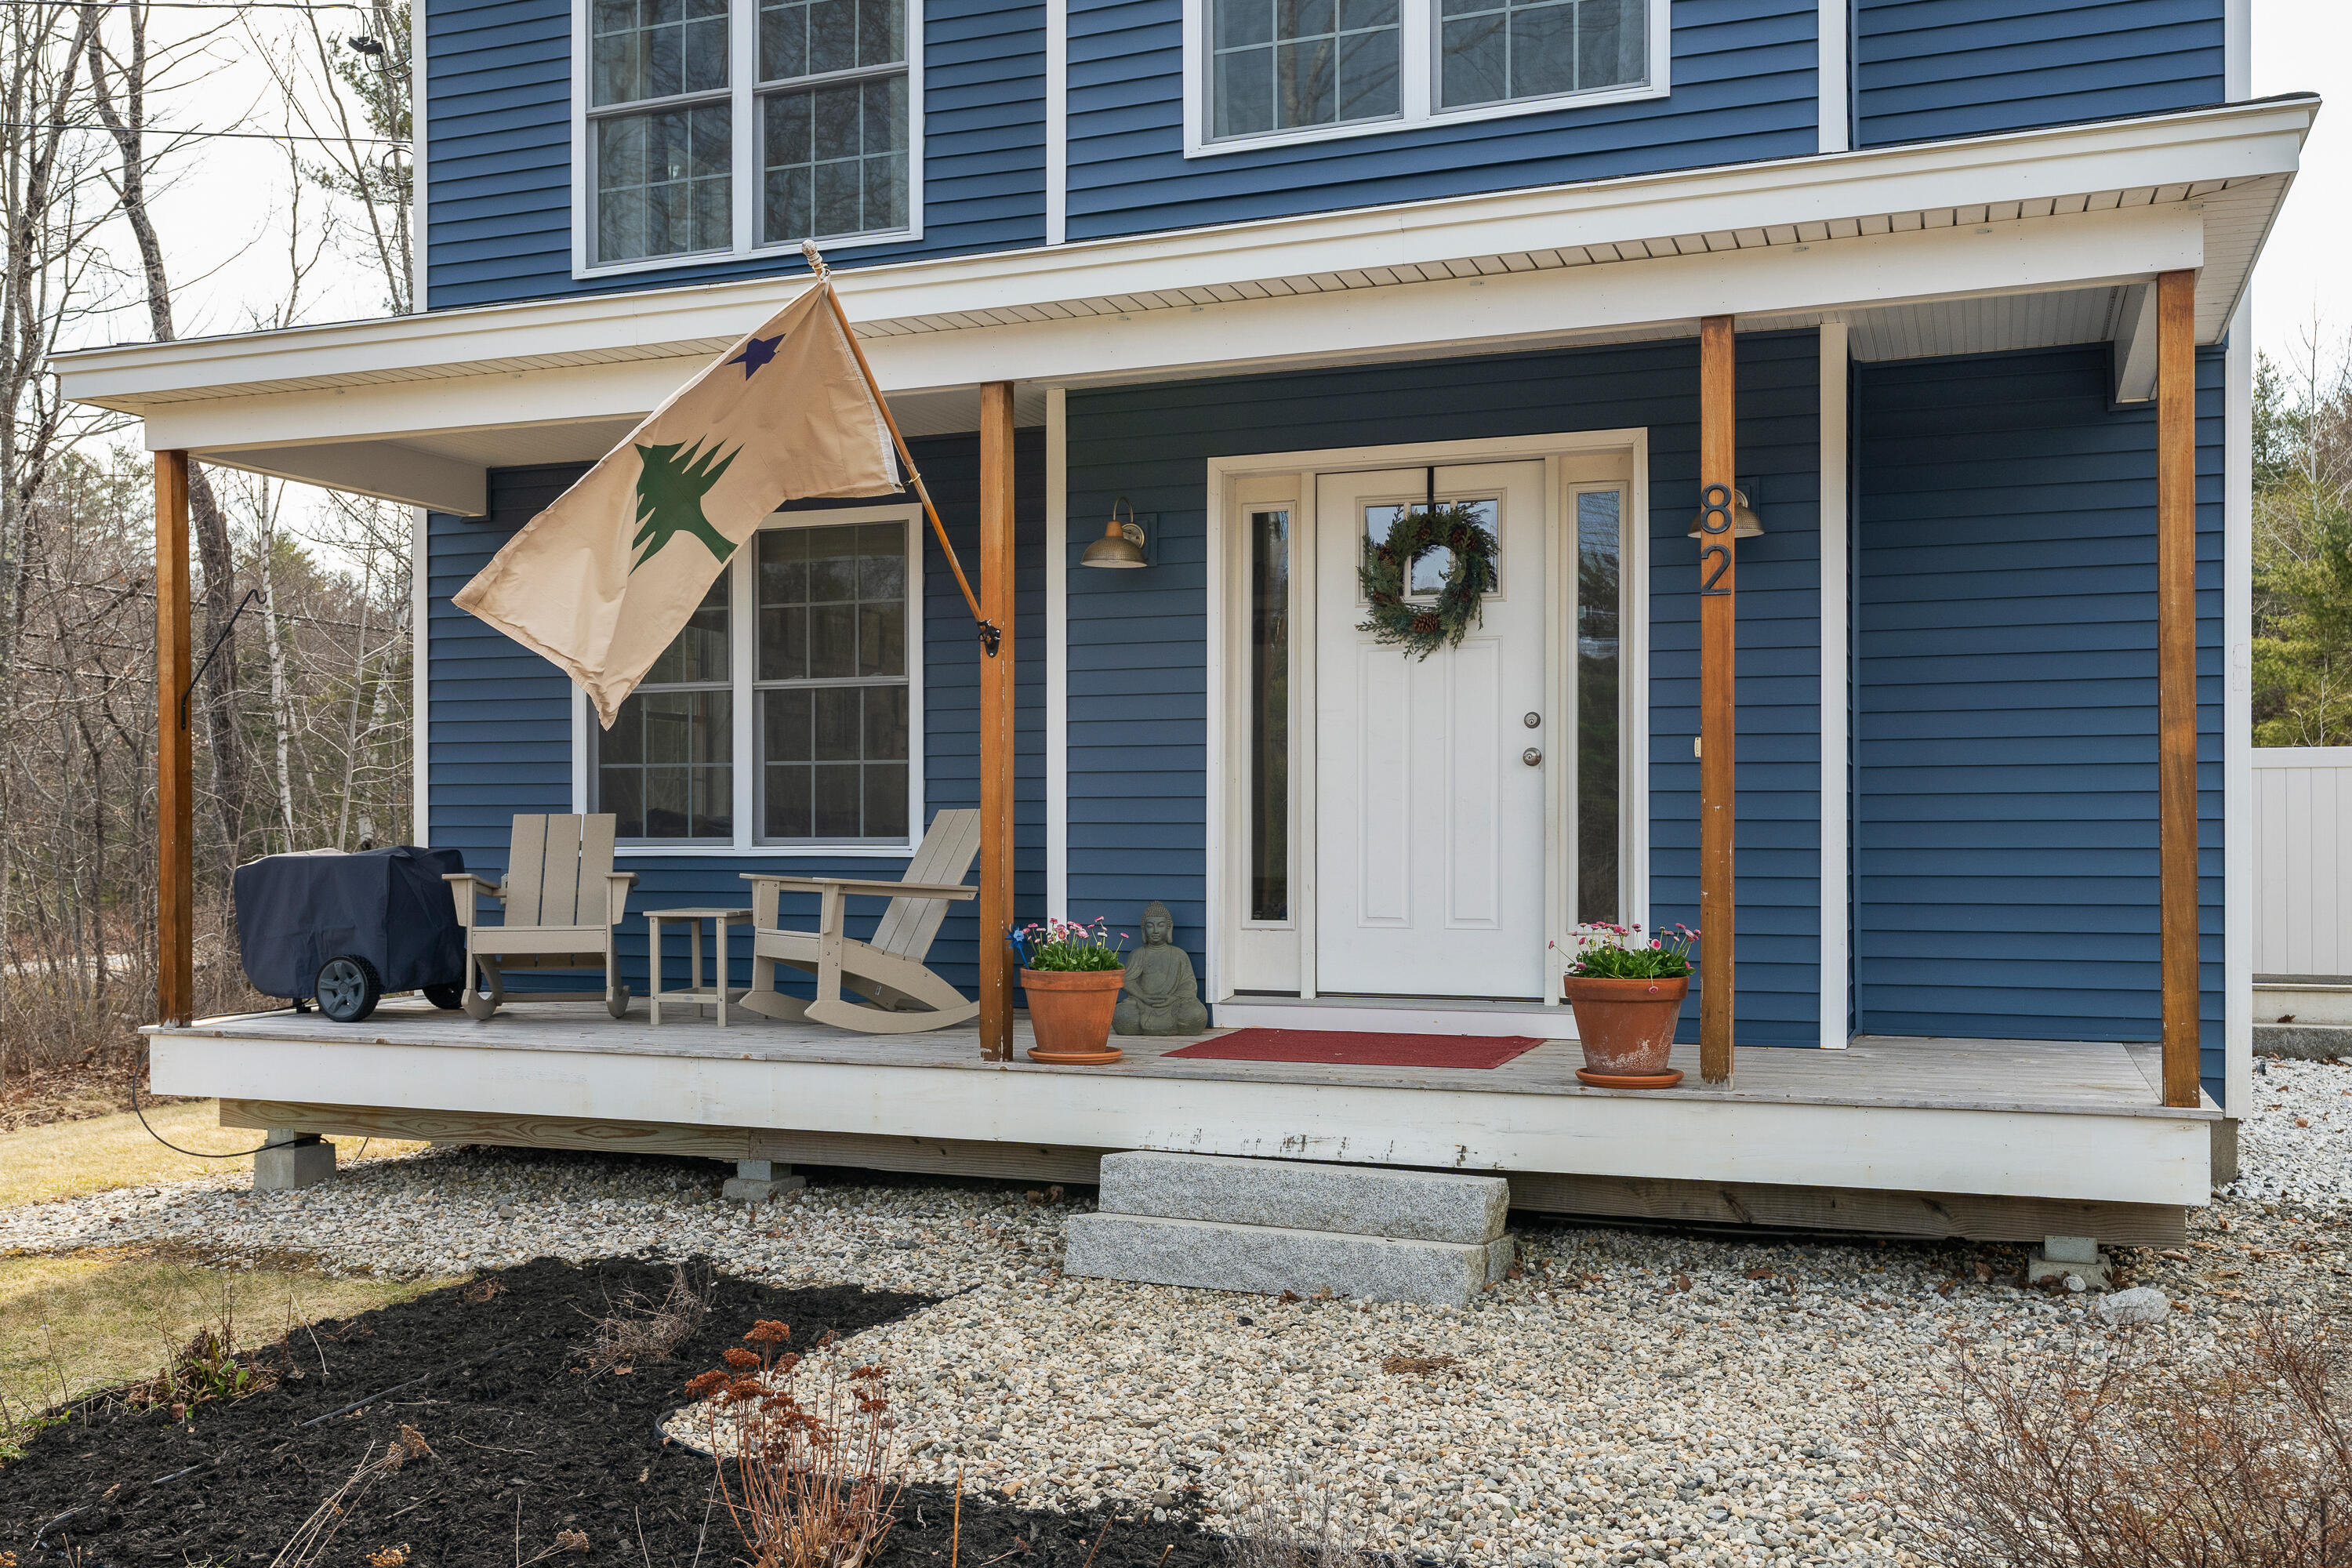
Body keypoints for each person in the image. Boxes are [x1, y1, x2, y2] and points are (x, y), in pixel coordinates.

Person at [1112, 901, 1207, 1035]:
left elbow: (1188, 984)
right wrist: (1143, 997)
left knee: (1196, 1013)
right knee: (1122, 1014)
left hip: (1173, 1004)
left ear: (1169, 928)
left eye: (1160, 925)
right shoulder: (1139, 954)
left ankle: (1169, 1024)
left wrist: (1174, 998)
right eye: (1150, 926)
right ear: (1144, 929)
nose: (1155, 931)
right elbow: (1128, 981)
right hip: (1143, 1003)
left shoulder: (1179, 954)